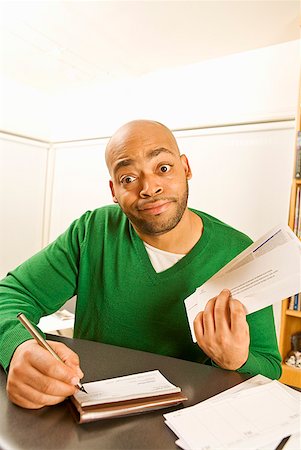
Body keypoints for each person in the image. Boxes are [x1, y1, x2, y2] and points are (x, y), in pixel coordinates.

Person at [0, 120, 281, 409]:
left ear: (185, 168)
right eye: (129, 178)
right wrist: (18, 346)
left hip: (188, 426)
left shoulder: (239, 252)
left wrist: (237, 360)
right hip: (88, 417)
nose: (149, 188)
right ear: (113, 189)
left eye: (163, 168)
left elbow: (271, 367)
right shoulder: (92, 231)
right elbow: (9, 296)